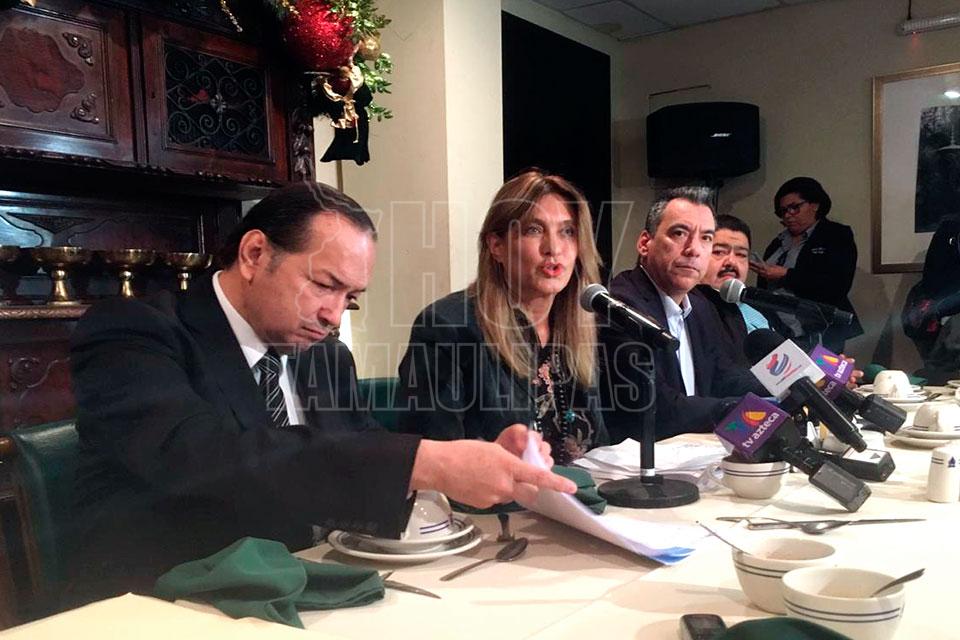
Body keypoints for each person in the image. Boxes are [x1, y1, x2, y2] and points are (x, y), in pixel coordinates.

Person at [67, 182, 576, 604]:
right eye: (324, 284)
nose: (334, 315)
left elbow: (362, 455)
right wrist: (426, 462)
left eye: (350, 297)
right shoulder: (134, 332)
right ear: (255, 254)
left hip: (315, 588)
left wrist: (475, 461)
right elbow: (201, 456)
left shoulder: (326, 356)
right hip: (174, 601)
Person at [396, 169, 607, 465]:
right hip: (490, 495)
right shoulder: (448, 327)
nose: (554, 248)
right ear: (496, 245)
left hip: (580, 492)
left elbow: (599, 446)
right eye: (534, 230)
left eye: (567, 232)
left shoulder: (577, 328)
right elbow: (431, 458)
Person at [599, 187, 764, 443]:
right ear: (645, 243)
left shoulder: (700, 305)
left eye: (706, 238)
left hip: (695, 452)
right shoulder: (622, 306)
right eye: (679, 233)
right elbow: (659, 407)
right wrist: (742, 410)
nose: (693, 249)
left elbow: (724, 375)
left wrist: (789, 385)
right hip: (640, 458)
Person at [751, 177, 863, 353]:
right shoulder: (778, 241)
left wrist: (786, 274)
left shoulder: (836, 234)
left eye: (794, 207)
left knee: (823, 371)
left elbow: (837, 285)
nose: (788, 215)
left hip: (820, 328)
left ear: (815, 205)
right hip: (779, 327)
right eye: (783, 211)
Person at [698, 214, 770, 366]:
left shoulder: (758, 314)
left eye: (741, 255)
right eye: (718, 252)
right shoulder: (684, 310)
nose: (731, 262)